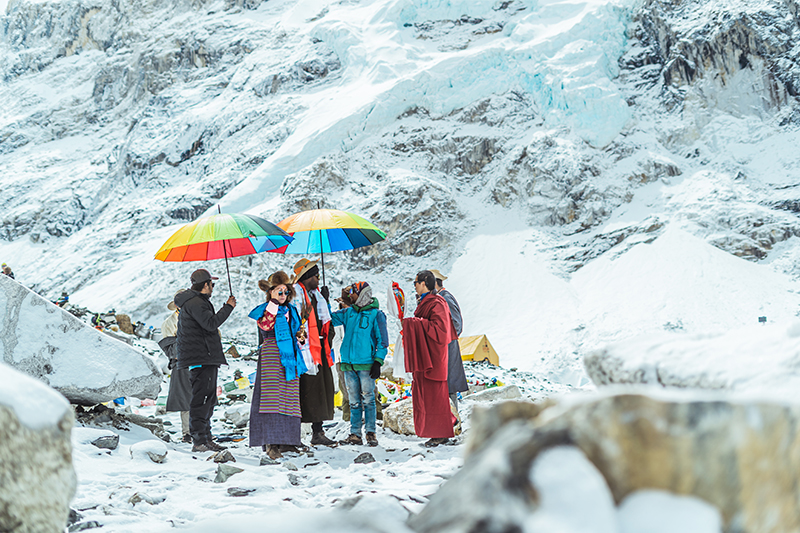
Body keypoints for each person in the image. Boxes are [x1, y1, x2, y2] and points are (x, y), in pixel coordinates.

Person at [174, 269, 236, 453]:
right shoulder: (196, 303)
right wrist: (228, 307)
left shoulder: (195, 302)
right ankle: (199, 440)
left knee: (208, 399)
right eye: (212, 284)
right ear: (205, 285)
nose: (213, 288)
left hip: (203, 357)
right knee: (202, 400)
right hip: (201, 357)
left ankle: (206, 439)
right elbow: (211, 323)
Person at [248, 271, 307, 460]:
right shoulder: (266, 309)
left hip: (290, 356)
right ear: (271, 292)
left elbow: (297, 332)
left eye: (286, 292)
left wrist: (300, 336)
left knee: (289, 397)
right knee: (272, 398)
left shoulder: (292, 310)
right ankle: (271, 443)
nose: (283, 296)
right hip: (272, 354)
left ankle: (288, 440)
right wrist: (273, 303)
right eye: (279, 292)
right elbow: (265, 325)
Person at [402, 270, 456, 447]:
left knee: (435, 397)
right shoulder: (426, 302)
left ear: (424, 283)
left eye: (415, 283)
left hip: (433, 357)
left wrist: (415, 323)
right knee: (428, 396)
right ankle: (446, 422)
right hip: (425, 355)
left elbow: (441, 330)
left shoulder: (437, 302)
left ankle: (441, 433)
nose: (414, 286)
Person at [331, 282, 389, 447]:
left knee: (369, 399)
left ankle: (371, 433)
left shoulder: (376, 315)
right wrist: (326, 300)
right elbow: (329, 318)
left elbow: (383, 341)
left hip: (366, 365)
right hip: (348, 365)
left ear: (362, 294)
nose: (351, 295)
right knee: (353, 401)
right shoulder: (348, 313)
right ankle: (355, 434)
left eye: (353, 292)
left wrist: (378, 362)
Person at [291, 258, 336, 446]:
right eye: (316, 275)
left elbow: (325, 321)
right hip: (304, 351)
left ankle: (318, 432)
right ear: (308, 277)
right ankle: (293, 434)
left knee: (321, 389)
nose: (318, 279)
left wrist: (325, 299)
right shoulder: (296, 296)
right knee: (301, 391)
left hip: (319, 349)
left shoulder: (316, 296)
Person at [430, 270, 468, 413]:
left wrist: (441, 339)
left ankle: (453, 422)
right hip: (443, 348)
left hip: (448, 348)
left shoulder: (446, 298)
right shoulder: (439, 298)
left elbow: (457, 325)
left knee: (449, 386)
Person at [158, 293, 191, 443]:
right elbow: (170, 349)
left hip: (201, 362)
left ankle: (202, 430)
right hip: (182, 364)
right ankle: (188, 432)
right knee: (186, 400)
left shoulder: (198, 317)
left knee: (202, 397)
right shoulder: (169, 323)